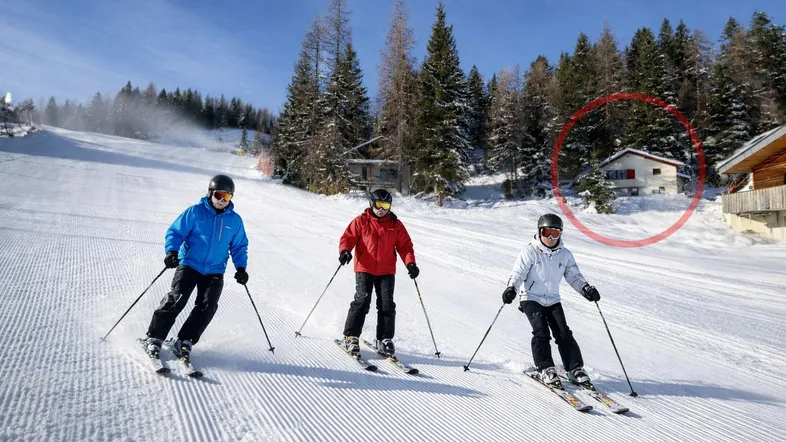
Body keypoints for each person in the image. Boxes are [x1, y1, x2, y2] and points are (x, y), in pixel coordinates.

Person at [140, 174, 249, 363]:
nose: (222, 201)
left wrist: (241, 268)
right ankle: (154, 337)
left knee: (208, 306)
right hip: (190, 263)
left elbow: (239, 246)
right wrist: (171, 251)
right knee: (177, 299)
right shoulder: (195, 212)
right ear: (210, 193)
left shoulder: (235, 221)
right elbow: (175, 232)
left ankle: (184, 340)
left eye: (227, 197)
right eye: (219, 195)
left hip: (215, 269)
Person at [501, 213, 601, 386]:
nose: (551, 237)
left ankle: (574, 368)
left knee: (563, 333)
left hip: (553, 299)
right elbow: (518, 274)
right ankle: (545, 368)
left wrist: (586, 289)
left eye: (556, 233)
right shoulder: (530, 252)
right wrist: (511, 289)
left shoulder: (565, 254)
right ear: (540, 232)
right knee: (541, 332)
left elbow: (574, 276)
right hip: (530, 298)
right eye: (547, 232)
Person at [338, 189, 419, 357]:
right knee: (362, 301)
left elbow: (405, 246)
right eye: (378, 205)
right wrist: (345, 251)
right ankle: (351, 336)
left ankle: (384, 339)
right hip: (364, 268)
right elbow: (348, 238)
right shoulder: (361, 221)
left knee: (387, 305)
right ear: (371, 204)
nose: (382, 209)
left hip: (386, 270)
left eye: (386, 205)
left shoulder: (395, 225)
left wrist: (410, 263)